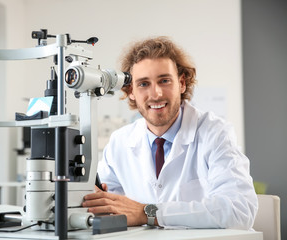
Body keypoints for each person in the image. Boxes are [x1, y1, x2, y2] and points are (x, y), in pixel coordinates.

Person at [82, 36, 258, 229]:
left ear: (181, 83)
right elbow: (109, 205)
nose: (156, 93)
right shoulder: (119, 142)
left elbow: (239, 211)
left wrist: (148, 213)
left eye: (164, 80)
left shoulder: (215, 133)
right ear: (131, 91)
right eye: (143, 84)